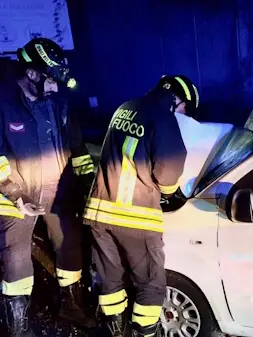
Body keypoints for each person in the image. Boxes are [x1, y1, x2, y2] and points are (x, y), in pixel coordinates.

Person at [0, 37, 97, 336]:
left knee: (69, 245)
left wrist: (86, 185)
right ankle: (19, 326)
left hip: (59, 192)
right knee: (16, 256)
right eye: (51, 80)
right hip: (15, 196)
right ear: (31, 73)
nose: (56, 87)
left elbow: (76, 146)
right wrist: (16, 194)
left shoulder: (58, 102)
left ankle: (71, 306)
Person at [85, 75, 198, 337]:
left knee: (110, 279)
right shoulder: (163, 118)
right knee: (151, 285)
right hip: (135, 218)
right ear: (176, 99)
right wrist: (170, 193)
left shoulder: (124, 108)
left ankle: (116, 331)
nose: (183, 114)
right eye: (184, 108)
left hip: (99, 213)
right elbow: (169, 171)